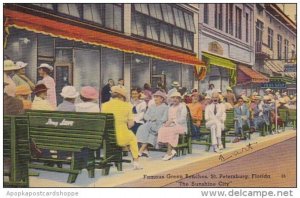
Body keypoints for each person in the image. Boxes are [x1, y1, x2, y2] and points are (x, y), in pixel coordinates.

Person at [102, 86, 141, 169]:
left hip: (107, 137)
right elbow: (131, 124)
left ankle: (122, 151)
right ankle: (136, 161)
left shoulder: (104, 105)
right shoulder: (127, 106)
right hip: (121, 137)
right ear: (122, 96)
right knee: (133, 138)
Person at [136, 90, 168, 157]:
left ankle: (142, 150)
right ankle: (144, 150)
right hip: (150, 123)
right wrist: (150, 118)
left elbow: (164, 118)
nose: (155, 98)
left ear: (162, 99)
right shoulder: (151, 106)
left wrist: (157, 119)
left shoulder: (165, 107)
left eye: (157, 97)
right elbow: (145, 116)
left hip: (159, 124)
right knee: (142, 128)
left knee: (149, 130)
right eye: (155, 97)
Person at [157, 91, 187, 160]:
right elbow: (166, 118)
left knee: (171, 130)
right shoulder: (170, 107)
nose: (175, 99)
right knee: (162, 129)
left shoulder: (182, 106)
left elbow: (183, 119)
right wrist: (165, 122)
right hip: (171, 125)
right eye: (173, 98)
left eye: (177, 98)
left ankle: (169, 152)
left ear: (180, 99)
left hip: (181, 126)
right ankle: (172, 150)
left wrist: (173, 121)